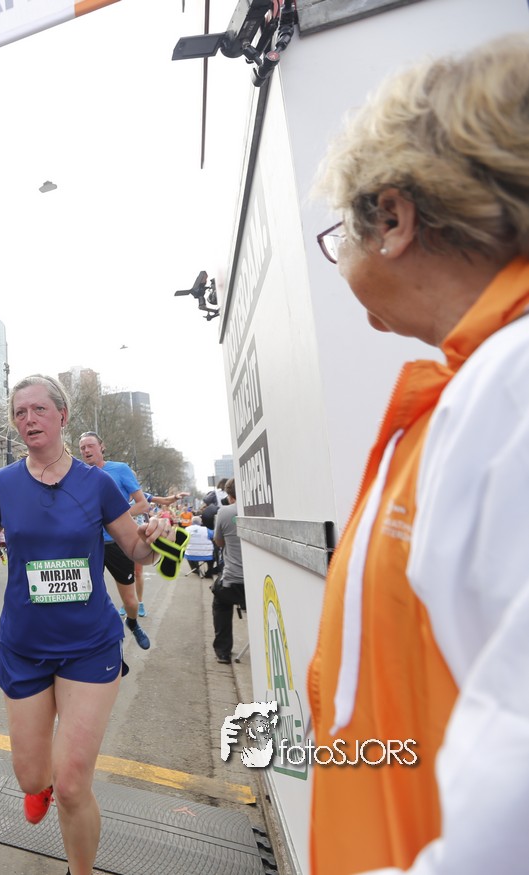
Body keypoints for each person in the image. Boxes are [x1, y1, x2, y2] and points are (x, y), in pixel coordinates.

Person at [308, 35, 529, 875]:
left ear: (394, 218)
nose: (338, 258)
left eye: (341, 232)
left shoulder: (509, 385)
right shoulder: (477, 383)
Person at [0, 375, 166, 875]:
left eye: (38, 409)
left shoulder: (97, 484)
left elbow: (136, 550)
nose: (28, 419)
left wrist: (154, 539)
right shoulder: (5, 483)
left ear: (62, 416)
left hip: (89, 645)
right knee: (32, 778)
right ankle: (41, 786)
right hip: (24, 645)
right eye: (20, 413)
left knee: (74, 784)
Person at [77, 432, 151, 648]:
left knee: (130, 602)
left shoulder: (119, 469)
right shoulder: (78, 474)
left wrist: (114, 517)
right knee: (87, 596)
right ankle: (93, 640)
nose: (86, 451)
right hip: (90, 544)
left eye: (90, 446)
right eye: (82, 448)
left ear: (102, 447)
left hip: (117, 543)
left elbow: (143, 504)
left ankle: (133, 623)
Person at [209, 479, 243, 665]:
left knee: (220, 601)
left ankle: (223, 652)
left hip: (234, 580)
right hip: (261, 581)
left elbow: (219, 542)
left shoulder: (225, 512)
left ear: (230, 497)